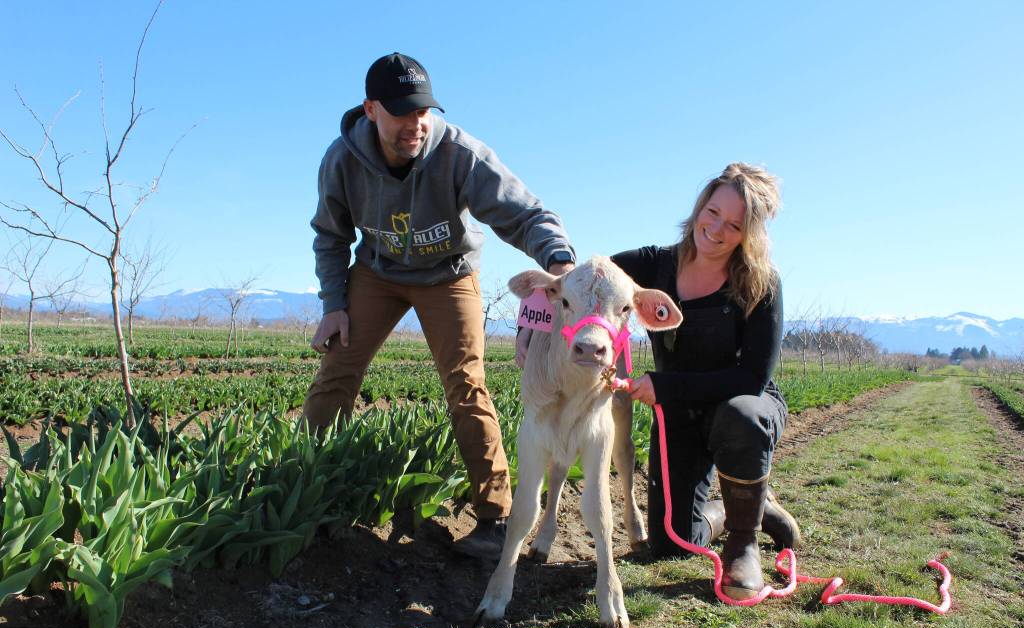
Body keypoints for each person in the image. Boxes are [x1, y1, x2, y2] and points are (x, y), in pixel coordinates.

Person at [302, 53, 576, 561]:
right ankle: (304, 492)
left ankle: (496, 518)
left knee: (465, 382)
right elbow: (330, 236)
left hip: (449, 273)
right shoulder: (342, 160)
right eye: (403, 112)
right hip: (377, 273)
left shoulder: (458, 153)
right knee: (337, 371)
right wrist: (334, 304)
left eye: (424, 110)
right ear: (371, 110)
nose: (416, 123)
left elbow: (524, 212)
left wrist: (558, 259)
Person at [611, 163, 801, 599]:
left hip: (742, 404)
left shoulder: (760, 284)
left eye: (733, 225)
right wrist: (538, 321)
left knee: (741, 416)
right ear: (701, 205)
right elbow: (592, 277)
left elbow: (751, 377)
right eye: (712, 212)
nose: (715, 229)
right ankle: (752, 511)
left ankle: (743, 544)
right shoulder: (654, 264)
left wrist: (665, 386)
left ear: (748, 235)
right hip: (678, 413)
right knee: (672, 541)